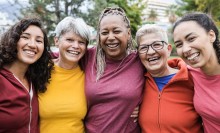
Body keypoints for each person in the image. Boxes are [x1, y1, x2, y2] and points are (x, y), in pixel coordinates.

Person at [84, 7, 145, 133]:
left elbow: (163, 73)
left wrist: (146, 108)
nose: (110, 37)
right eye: (105, 33)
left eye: (116, 31)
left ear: (128, 34)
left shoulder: (140, 60)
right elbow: (55, 58)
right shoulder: (88, 57)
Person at [135, 25, 203, 133]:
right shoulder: (137, 84)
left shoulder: (194, 78)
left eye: (157, 45)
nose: (151, 51)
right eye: (143, 48)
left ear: (168, 49)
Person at [0, 18, 53, 133]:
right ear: (12, 40)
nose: (33, 45)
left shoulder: (33, 80)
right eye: (25, 37)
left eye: (39, 41)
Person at [38, 16, 90, 133]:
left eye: (81, 42)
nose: (76, 46)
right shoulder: (40, 70)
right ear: (56, 41)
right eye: (70, 40)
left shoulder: (88, 76)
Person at [173, 12, 220, 133]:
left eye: (191, 39)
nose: (185, 49)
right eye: (179, 44)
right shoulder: (190, 73)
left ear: (211, 36)